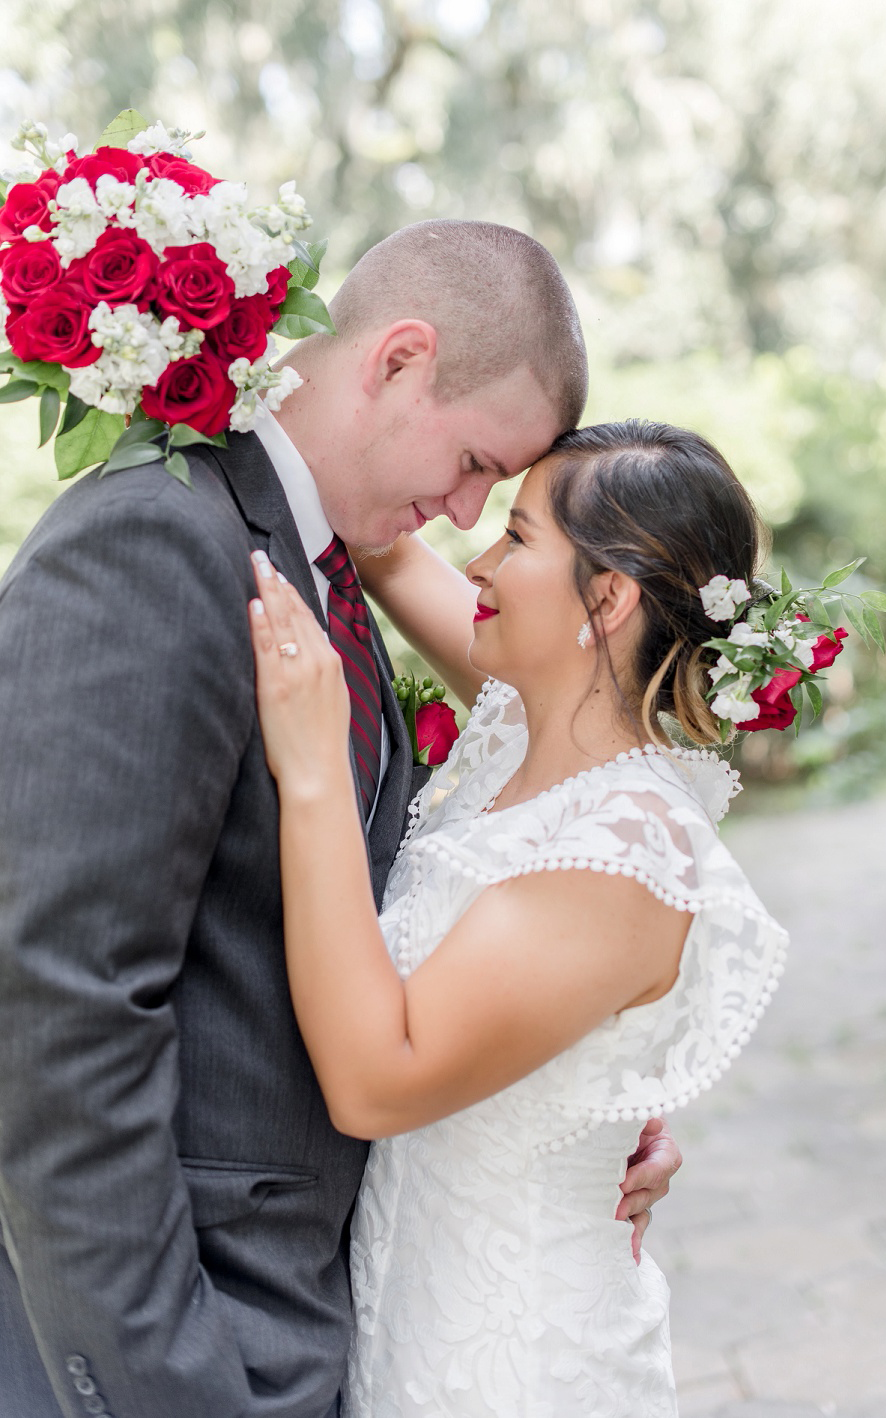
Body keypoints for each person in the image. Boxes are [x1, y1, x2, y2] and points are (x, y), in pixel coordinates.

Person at [0, 222, 678, 1418]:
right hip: (191, 1342)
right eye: (475, 461)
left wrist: (574, 1106)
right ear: (399, 358)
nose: (468, 512)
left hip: (337, 1311)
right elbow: (59, 1003)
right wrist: (167, 1385)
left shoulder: (327, 567)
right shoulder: (154, 540)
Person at [247, 419, 790, 1417]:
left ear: (610, 598)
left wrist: (316, 767)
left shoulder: (622, 848)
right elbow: (381, 531)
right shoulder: (518, 730)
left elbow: (375, 1086)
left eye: (520, 535)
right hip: (410, 1322)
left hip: (519, 1366)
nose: (479, 557)